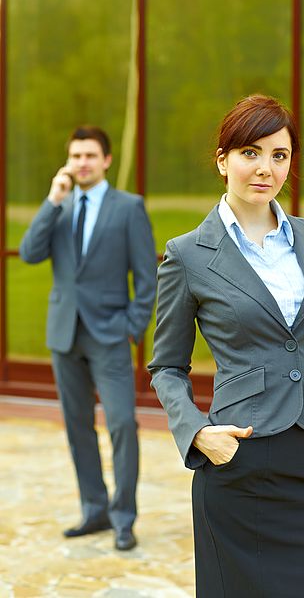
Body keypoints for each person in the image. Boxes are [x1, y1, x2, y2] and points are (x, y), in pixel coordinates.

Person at [147, 94, 304, 596]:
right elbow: (166, 367)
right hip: (239, 458)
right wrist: (198, 434)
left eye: (279, 155)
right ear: (223, 161)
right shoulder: (188, 255)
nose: (265, 168)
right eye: (250, 153)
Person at [20, 126, 157, 551]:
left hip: (110, 335)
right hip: (64, 335)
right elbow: (29, 252)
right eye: (76, 155)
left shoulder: (129, 207)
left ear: (106, 161)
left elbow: (147, 277)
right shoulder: (58, 206)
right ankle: (94, 510)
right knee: (78, 427)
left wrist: (132, 326)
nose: (82, 162)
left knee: (121, 424)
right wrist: (50, 200)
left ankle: (123, 517)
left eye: (90, 155)